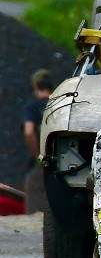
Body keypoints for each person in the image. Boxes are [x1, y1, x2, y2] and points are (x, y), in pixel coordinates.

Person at [21, 68, 53, 214]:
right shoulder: (59, 103)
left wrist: (38, 156)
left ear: (35, 86)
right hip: (64, 155)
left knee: (34, 182)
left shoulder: (32, 106)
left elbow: (29, 131)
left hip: (44, 154)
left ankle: (35, 215)